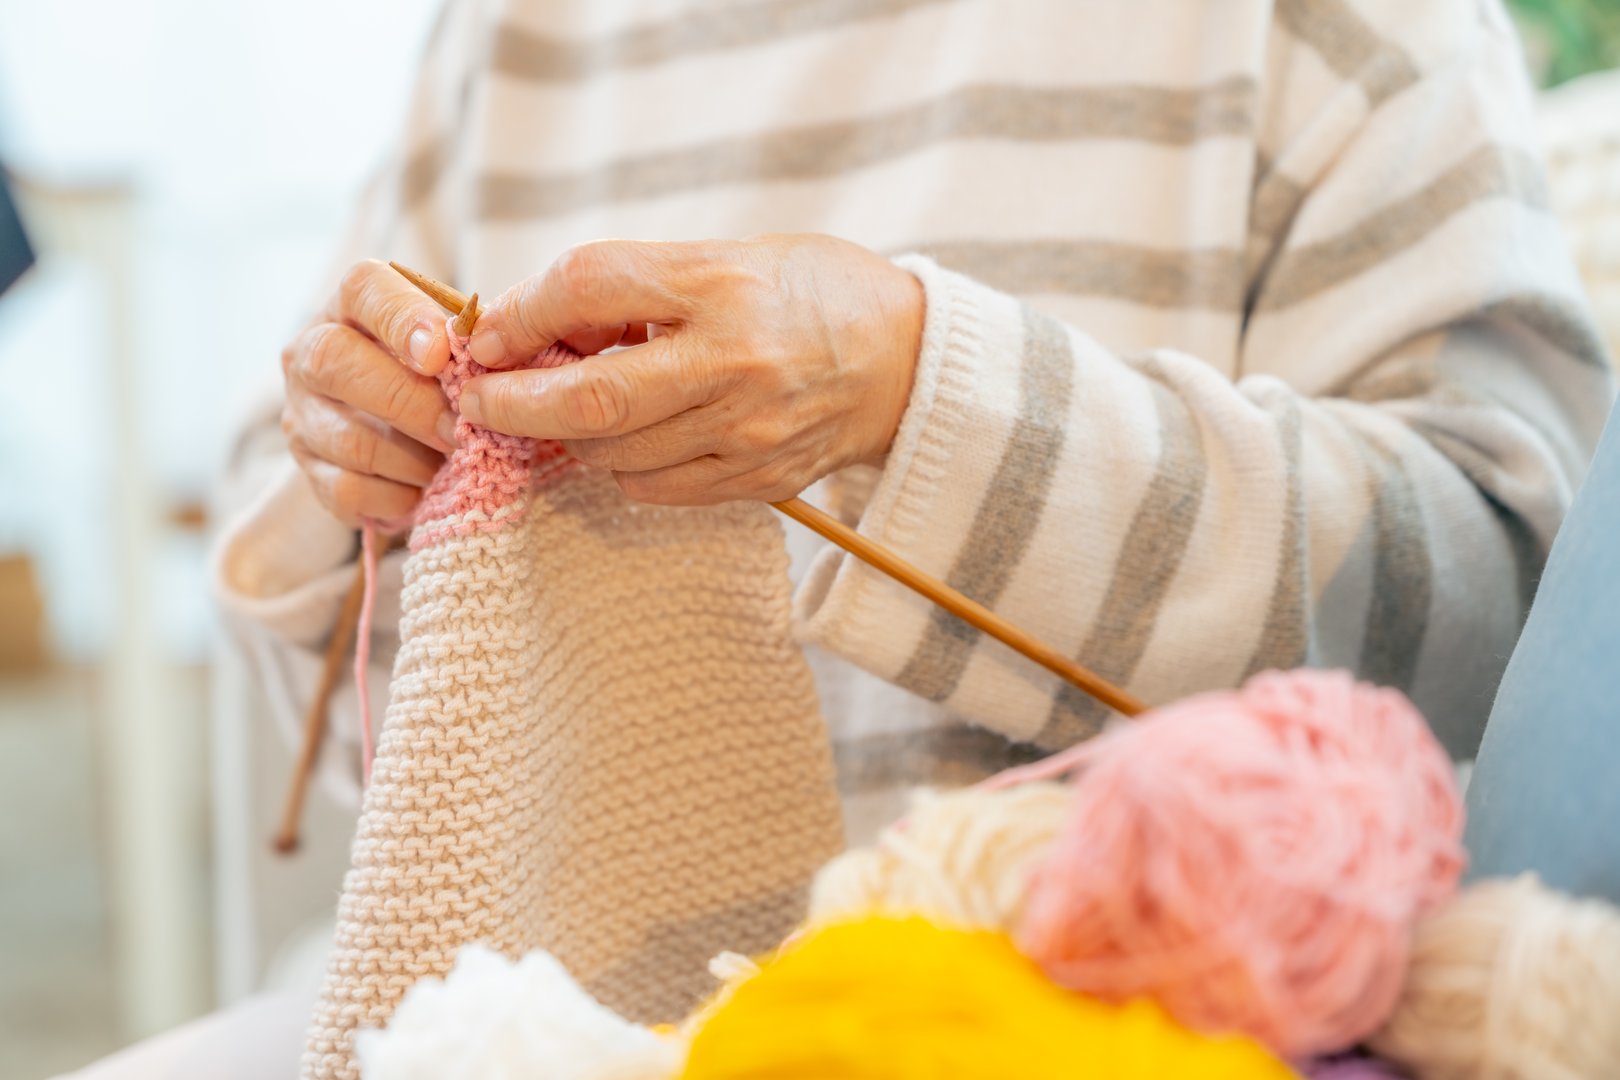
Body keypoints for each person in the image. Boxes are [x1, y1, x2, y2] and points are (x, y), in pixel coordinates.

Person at [71, 0, 1614, 1075]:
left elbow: (1500, 605)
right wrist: (361, 483)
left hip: (1118, 1021)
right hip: (561, 1015)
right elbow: (380, 750)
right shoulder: (513, 29)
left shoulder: (1312, 23)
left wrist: (917, 394)